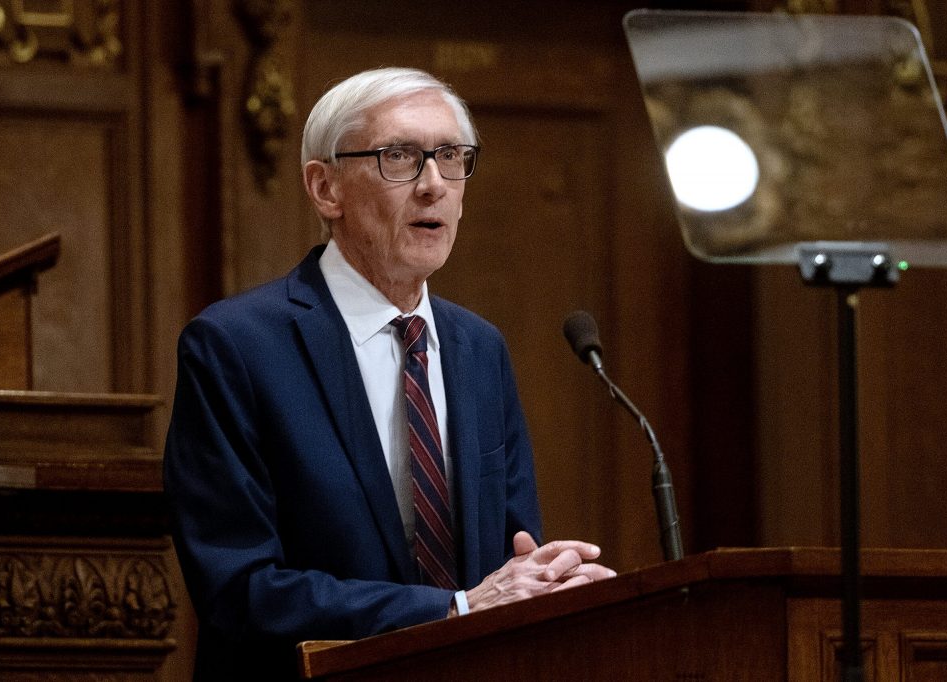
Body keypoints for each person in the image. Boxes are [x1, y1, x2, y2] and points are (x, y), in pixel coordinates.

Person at [163, 67, 617, 680]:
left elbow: (511, 556)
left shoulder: (480, 348)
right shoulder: (235, 347)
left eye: (451, 157)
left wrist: (546, 581)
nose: (434, 184)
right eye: (399, 156)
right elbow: (240, 589)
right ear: (326, 188)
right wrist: (452, 610)